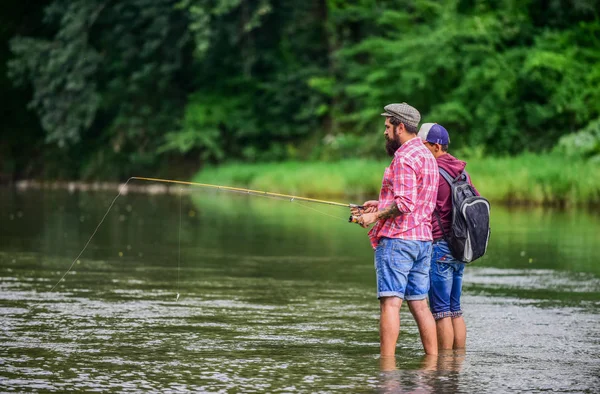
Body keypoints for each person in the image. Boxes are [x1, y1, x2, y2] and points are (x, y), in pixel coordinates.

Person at [352, 103, 439, 357]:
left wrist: (374, 216)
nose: (385, 132)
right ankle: (433, 363)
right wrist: (379, 203)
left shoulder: (403, 157)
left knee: (390, 303)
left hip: (398, 241)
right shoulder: (427, 156)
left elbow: (405, 203)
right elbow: (416, 198)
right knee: (421, 306)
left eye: (387, 127)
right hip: (423, 241)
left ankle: (387, 367)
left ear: (401, 127)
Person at [417, 123, 480, 350]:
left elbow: (416, 206)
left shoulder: (433, 172)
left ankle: (444, 367)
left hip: (439, 246)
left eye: (423, 145)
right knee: (455, 309)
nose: (420, 150)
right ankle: (457, 364)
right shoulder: (462, 172)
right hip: (461, 247)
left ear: (434, 146)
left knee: (441, 311)